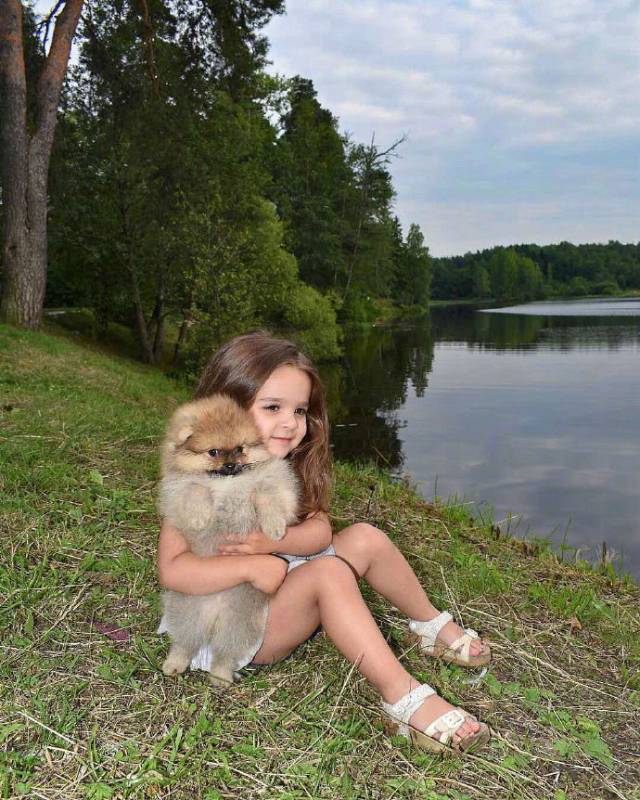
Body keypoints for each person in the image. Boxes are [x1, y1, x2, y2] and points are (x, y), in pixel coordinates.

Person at [157, 331, 491, 753]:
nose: (291, 423)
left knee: (365, 538)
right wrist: (248, 566)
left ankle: (427, 625)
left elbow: (320, 532)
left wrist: (268, 542)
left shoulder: (282, 467)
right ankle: (401, 697)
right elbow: (174, 568)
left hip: (287, 587)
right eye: (272, 407)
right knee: (329, 573)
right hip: (239, 627)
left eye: (300, 410)